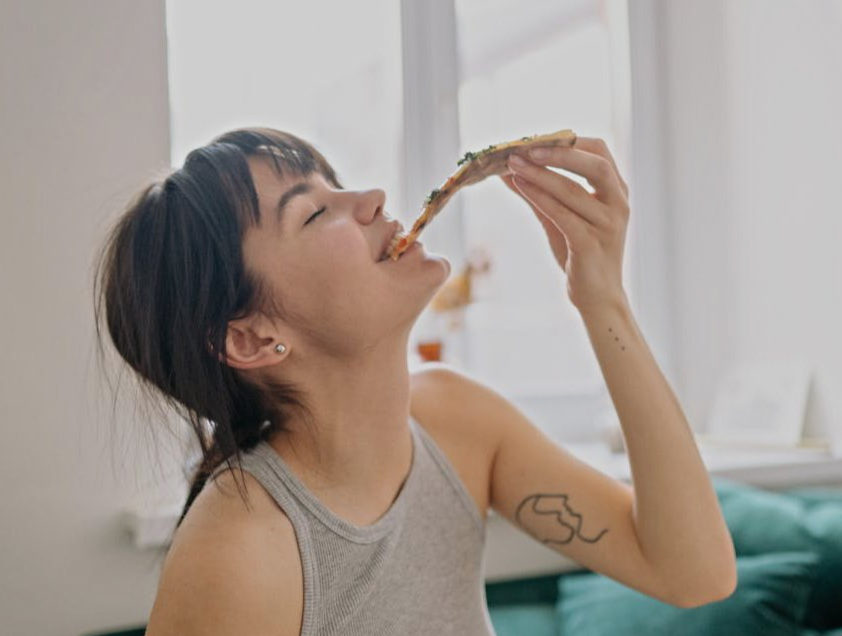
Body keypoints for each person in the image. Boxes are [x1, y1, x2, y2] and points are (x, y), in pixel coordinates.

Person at [93, 127, 736, 636]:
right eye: (314, 214)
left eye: (334, 184)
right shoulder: (238, 553)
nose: (370, 197)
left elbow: (692, 571)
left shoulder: (457, 423)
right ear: (252, 338)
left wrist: (603, 300)